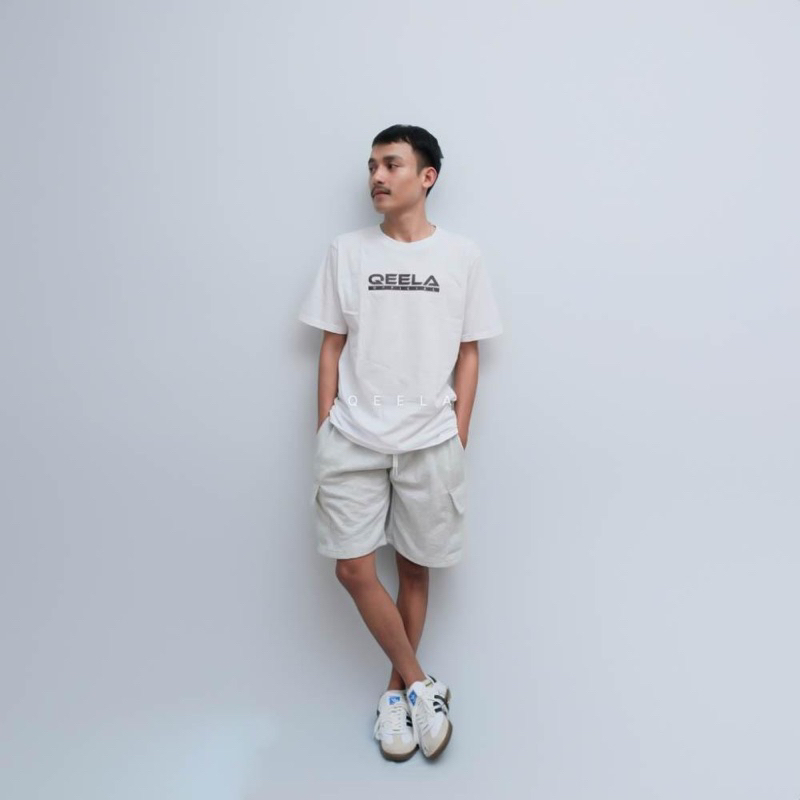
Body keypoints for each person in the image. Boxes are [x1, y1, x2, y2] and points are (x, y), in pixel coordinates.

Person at [297, 124, 503, 762]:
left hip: (430, 438)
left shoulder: (462, 255)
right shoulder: (347, 251)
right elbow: (330, 344)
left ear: (427, 177)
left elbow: (469, 353)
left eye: (391, 165)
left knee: (414, 567)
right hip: (353, 436)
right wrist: (326, 423)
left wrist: (458, 433)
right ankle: (421, 683)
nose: (377, 178)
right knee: (353, 568)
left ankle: (395, 695)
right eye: (372, 167)